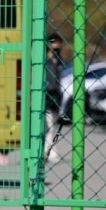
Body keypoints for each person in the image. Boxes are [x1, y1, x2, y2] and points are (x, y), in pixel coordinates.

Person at [44, 33, 65, 164]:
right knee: (48, 125)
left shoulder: (58, 60)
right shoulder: (43, 59)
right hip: (45, 94)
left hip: (55, 95)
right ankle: (48, 150)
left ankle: (50, 149)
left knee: (52, 125)